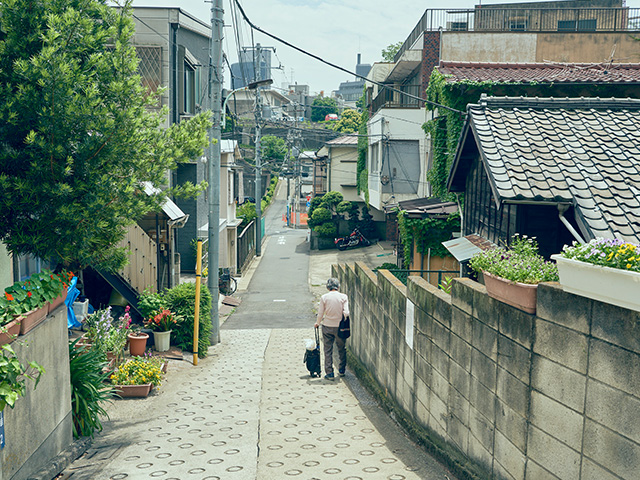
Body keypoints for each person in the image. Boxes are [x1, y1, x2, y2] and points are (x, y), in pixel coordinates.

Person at [315, 277, 349, 380]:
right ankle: (342, 370)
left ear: (328, 287)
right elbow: (346, 312)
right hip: (340, 328)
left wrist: (317, 323)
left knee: (328, 349)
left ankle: (329, 373)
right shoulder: (343, 297)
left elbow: (320, 313)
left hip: (327, 326)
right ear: (338, 287)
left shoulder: (324, 297)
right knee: (341, 348)